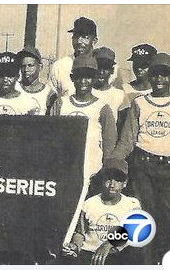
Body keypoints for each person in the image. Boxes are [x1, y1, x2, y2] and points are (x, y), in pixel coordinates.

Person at [110, 53, 170, 264]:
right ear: (150, 76)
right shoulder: (140, 103)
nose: (159, 79)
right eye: (155, 74)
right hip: (143, 167)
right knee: (142, 221)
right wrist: (111, 165)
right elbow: (127, 141)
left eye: (165, 75)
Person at [50, 55, 117, 248]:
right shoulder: (61, 103)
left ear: (95, 78)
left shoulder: (102, 108)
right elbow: (51, 139)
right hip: (64, 173)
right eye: (79, 76)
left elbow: (109, 148)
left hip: (91, 175)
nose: (84, 81)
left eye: (88, 76)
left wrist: (104, 175)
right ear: (72, 78)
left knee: (84, 224)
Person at [61, 159, 141, 265]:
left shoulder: (132, 205)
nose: (112, 184)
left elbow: (134, 231)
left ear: (124, 183)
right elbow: (80, 233)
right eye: (108, 179)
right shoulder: (89, 204)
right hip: (90, 255)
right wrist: (75, 246)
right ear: (102, 180)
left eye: (117, 180)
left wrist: (109, 244)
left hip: (117, 256)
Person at [48, 17, 122, 97]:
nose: (79, 41)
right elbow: (51, 100)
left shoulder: (108, 67)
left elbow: (118, 100)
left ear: (94, 40)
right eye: (76, 36)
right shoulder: (60, 66)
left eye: (84, 37)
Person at [17, 46, 57, 115]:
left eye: (30, 65)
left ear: (40, 67)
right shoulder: (15, 88)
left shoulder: (48, 93)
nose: (26, 70)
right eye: (23, 66)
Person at [92, 47, 127, 123]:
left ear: (112, 71)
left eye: (106, 68)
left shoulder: (119, 95)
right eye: (98, 67)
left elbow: (122, 125)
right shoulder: (85, 92)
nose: (101, 72)